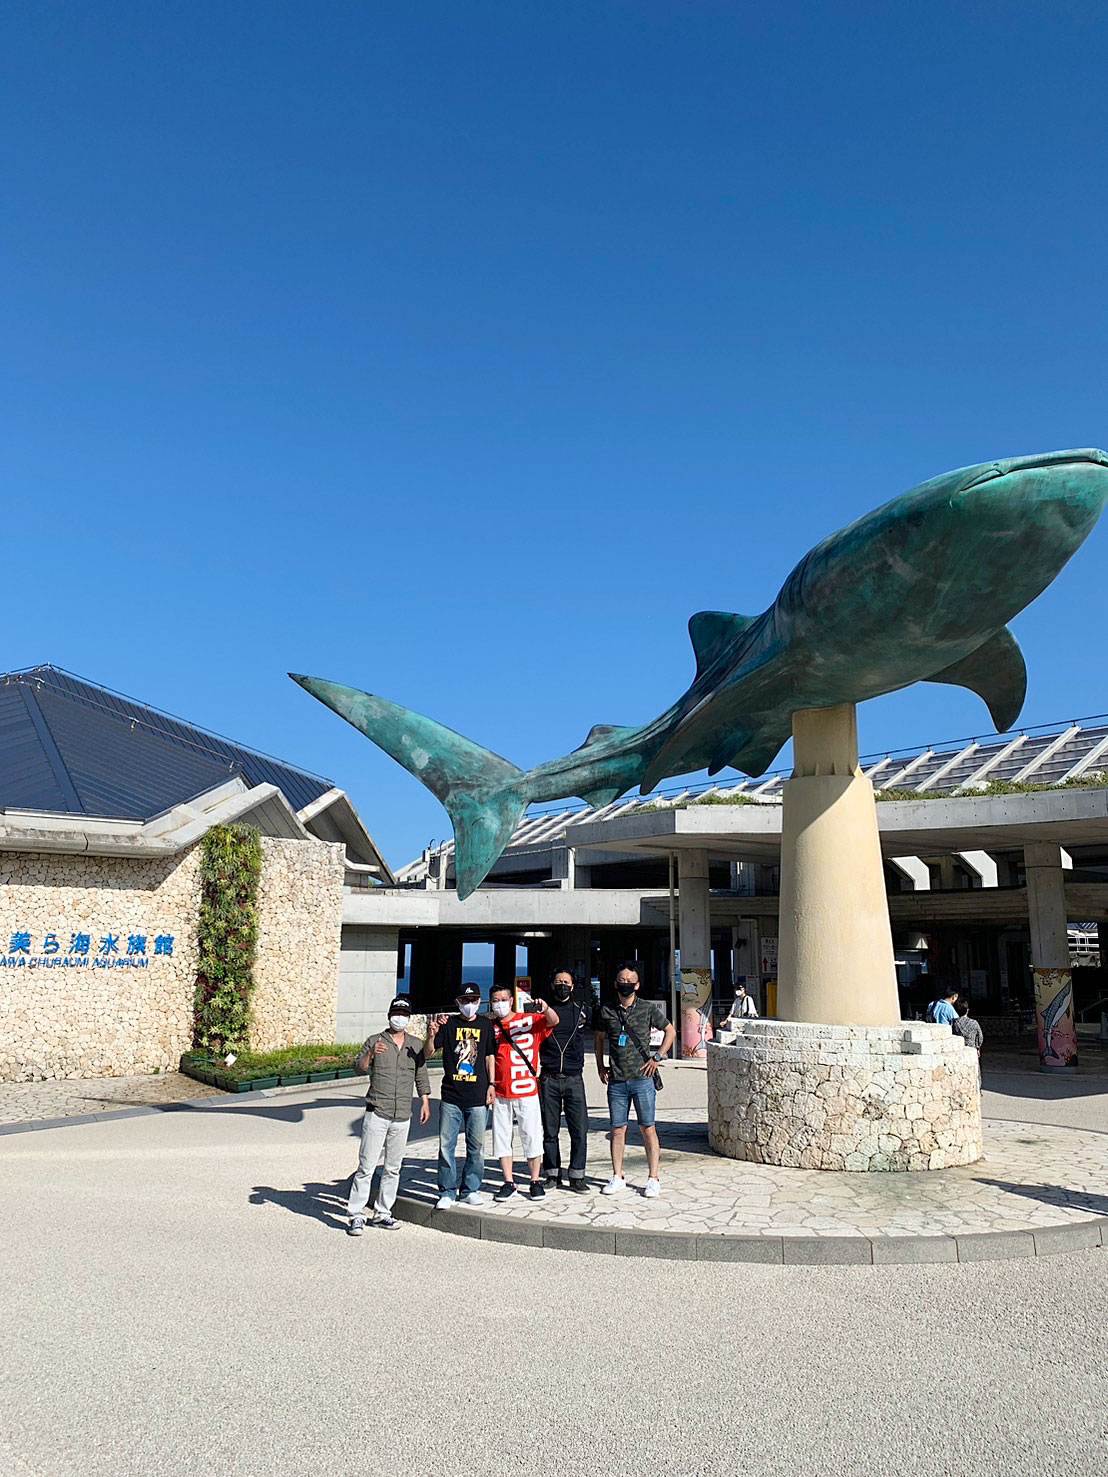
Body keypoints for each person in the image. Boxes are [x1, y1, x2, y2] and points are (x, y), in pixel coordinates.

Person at [347, 995, 431, 1235]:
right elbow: (358, 1067)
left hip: (403, 1113)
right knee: (367, 1166)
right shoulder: (375, 1041)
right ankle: (356, 1214)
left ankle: (383, 1212)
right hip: (377, 1111)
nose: (400, 1019)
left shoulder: (415, 1044)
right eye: (397, 1014)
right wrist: (371, 1054)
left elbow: (421, 1074)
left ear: (409, 1018)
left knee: (393, 1167)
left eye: (404, 1015)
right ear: (389, 1016)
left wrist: (425, 1100)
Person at [594, 962, 675, 1198]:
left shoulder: (647, 1009)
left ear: (637, 985)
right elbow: (599, 1039)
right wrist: (600, 1065)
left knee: (647, 1128)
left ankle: (653, 1178)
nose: (625, 984)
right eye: (622, 980)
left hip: (643, 1079)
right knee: (618, 1129)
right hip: (617, 1080)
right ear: (615, 983)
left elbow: (670, 1031)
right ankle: (617, 1176)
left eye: (630, 981)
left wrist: (657, 1057)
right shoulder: (606, 1010)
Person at [425, 982, 497, 1211]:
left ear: (479, 1001)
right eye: (465, 1001)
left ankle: (470, 1189)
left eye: (474, 1000)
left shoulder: (485, 1025)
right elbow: (428, 1053)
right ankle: (446, 1191)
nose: (469, 1005)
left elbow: (489, 1057)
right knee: (446, 1145)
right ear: (458, 1002)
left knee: (476, 1146)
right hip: (451, 1096)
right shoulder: (449, 1024)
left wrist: (492, 1084)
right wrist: (431, 1035)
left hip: (478, 1096)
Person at [489, 983, 559, 1200]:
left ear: (511, 1000)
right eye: (495, 1000)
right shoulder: (489, 1026)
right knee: (501, 1137)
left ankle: (535, 1180)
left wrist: (545, 1008)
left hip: (526, 1089)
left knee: (531, 1136)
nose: (499, 1004)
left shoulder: (528, 1021)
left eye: (503, 999)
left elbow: (554, 1021)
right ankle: (508, 1181)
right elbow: (487, 1055)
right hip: (501, 1091)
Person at [539, 966, 592, 1192]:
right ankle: (552, 1174)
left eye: (566, 982)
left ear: (573, 985)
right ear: (552, 985)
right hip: (548, 1078)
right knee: (550, 1131)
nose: (562, 986)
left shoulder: (582, 1010)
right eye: (558, 982)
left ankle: (577, 1175)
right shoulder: (542, 1012)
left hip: (573, 1078)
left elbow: (603, 1030)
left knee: (579, 1129)